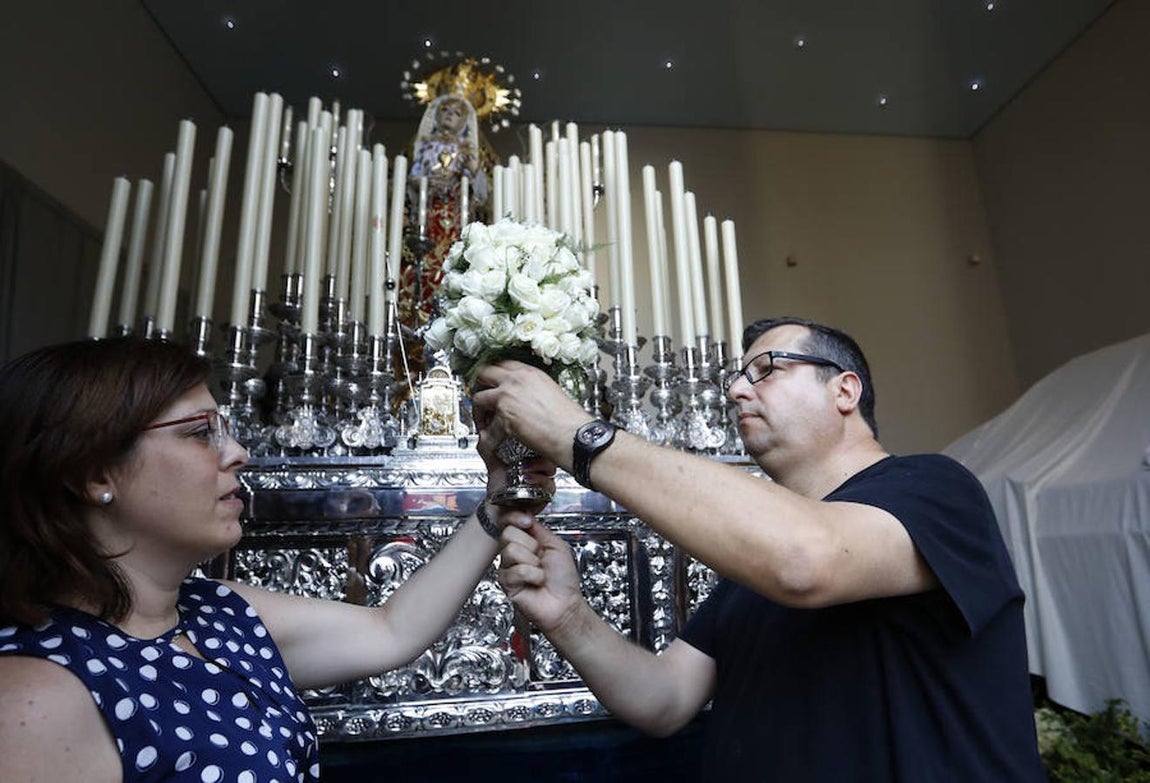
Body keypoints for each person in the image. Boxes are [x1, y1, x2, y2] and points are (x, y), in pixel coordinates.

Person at [474, 316, 1047, 781]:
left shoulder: (934, 488)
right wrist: (568, 617)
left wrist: (576, 434)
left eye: (766, 369)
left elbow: (806, 560)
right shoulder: (755, 562)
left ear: (845, 389)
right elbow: (664, 700)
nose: (735, 390)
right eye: (736, 377)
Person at [0, 336, 548, 782]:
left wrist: (497, 502)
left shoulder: (217, 613)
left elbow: (392, 630)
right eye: (199, 433)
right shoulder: (35, 699)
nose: (237, 453)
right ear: (94, 473)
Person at [401, 93, 492, 330]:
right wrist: (424, 182)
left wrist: (471, 169)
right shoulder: (426, 146)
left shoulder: (465, 150)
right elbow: (414, 176)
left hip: (455, 214)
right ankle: (420, 311)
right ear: (436, 115)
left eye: (456, 113)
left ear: (464, 121)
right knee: (424, 263)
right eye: (445, 111)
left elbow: (480, 188)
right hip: (429, 214)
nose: (450, 116)